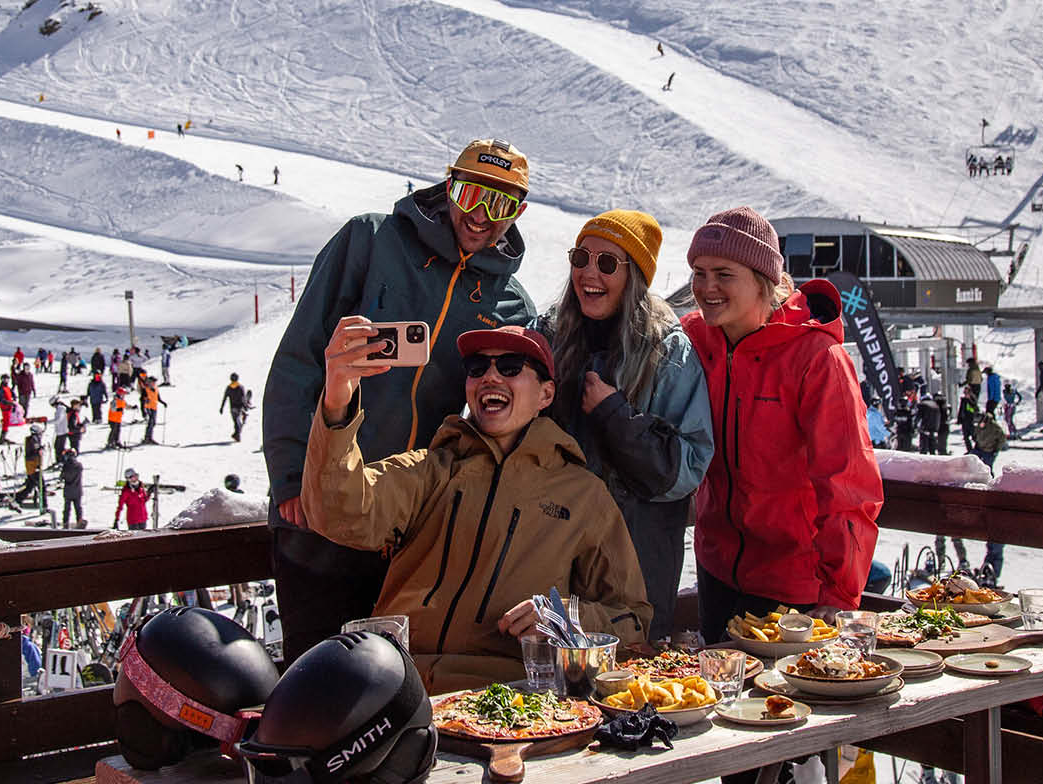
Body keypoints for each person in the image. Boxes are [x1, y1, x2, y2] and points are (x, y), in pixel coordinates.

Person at [262, 139, 537, 660]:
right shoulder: (370, 241)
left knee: (387, 679)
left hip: (407, 525)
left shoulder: (509, 303)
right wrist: (290, 474)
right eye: (469, 194)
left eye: (499, 205)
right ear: (447, 186)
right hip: (317, 508)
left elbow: (496, 417)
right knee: (315, 675)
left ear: (518, 213)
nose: (480, 216)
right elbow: (298, 359)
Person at [302, 322, 650, 692]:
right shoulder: (431, 470)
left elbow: (632, 619)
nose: (490, 377)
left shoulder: (582, 495)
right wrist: (337, 400)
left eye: (511, 367)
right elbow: (336, 512)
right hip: (398, 682)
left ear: (546, 394)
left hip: (509, 692)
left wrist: (565, 618)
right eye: (477, 368)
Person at [681, 207, 883, 644]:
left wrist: (840, 594)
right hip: (718, 569)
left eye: (723, 274)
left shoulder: (815, 359)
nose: (706, 288)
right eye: (699, 273)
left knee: (783, 708)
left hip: (797, 585)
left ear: (763, 280)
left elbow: (848, 483)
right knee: (721, 699)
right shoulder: (694, 340)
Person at [529, 210, 713, 640]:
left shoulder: (667, 351)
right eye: (581, 258)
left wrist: (615, 416)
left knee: (628, 686)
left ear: (635, 276)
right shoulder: (547, 334)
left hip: (634, 560)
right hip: (553, 551)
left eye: (607, 263)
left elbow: (685, 468)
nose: (589, 273)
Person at [14, 425, 46, 510]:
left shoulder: (33, 440)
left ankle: (17, 500)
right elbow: (32, 454)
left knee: (30, 486)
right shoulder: (33, 440)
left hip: (33, 467)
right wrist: (39, 451)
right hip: (34, 468)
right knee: (42, 487)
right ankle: (44, 506)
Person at [220, 372, 252, 441]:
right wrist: (246, 406)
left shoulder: (229, 388)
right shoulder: (240, 387)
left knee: (236, 421)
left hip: (233, 408)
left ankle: (236, 434)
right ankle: (237, 434)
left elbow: (225, 398)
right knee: (237, 422)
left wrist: (222, 408)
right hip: (240, 407)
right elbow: (243, 398)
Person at [59, 447, 86, 528]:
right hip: (78, 490)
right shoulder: (79, 465)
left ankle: (65, 523)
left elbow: (62, 477)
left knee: (67, 509)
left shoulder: (65, 466)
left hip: (68, 491)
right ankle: (79, 521)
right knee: (78, 508)